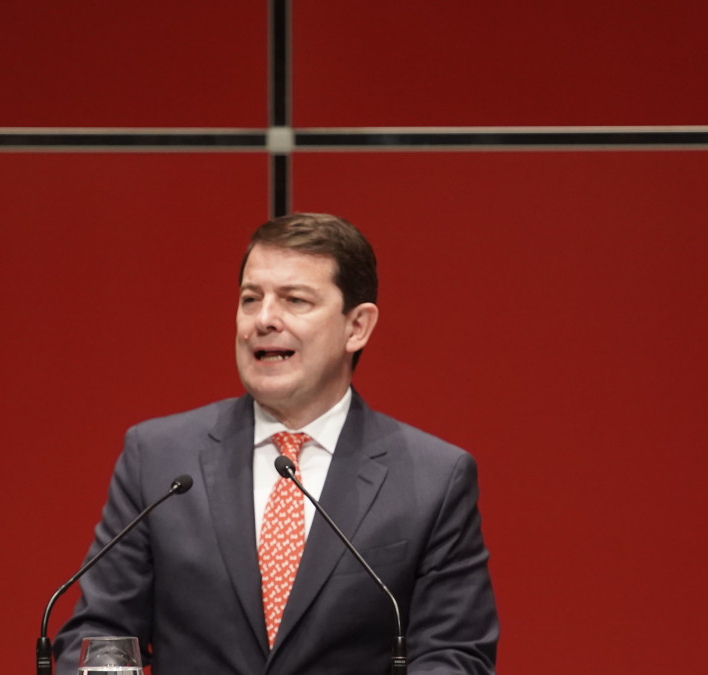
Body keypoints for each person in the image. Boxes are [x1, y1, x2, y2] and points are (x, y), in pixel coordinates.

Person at [53, 213, 498, 674]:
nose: (264, 320)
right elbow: (102, 630)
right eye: (251, 299)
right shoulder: (159, 459)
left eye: (295, 300)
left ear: (357, 327)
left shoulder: (433, 479)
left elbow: (454, 654)